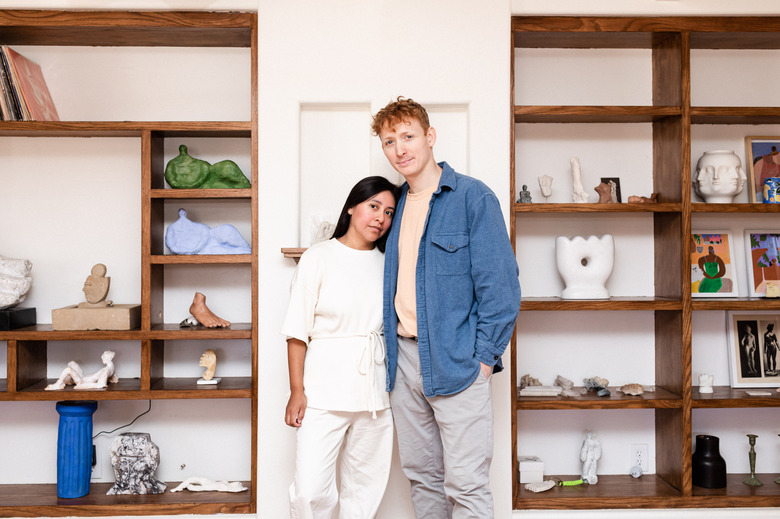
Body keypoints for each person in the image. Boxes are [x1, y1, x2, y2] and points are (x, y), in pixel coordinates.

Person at [372, 97, 521, 518]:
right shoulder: (395, 206)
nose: (399, 149)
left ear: (429, 136)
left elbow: (502, 288)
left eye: (407, 136)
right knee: (423, 478)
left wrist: (485, 361)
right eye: (389, 141)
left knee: (467, 484)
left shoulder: (473, 198)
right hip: (402, 362)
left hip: (457, 359)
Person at [281, 176, 399, 519]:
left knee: (365, 492)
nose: (380, 217)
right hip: (322, 391)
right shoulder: (318, 257)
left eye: (389, 212)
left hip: (374, 393)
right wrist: (296, 390)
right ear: (351, 207)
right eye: (373, 206)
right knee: (309, 492)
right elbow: (296, 331)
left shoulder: (388, 263)